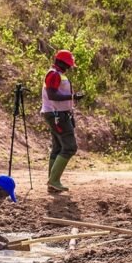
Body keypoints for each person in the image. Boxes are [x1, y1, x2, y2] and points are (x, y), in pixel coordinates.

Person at [42, 49, 82, 193]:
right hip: (57, 115)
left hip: (57, 114)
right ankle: (53, 180)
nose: (70, 67)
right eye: (68, 64)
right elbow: (52, 95)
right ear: (62, 62)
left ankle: (52, 183)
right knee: (70, 147)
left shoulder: (56, 74)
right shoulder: (54, 74)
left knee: (58, 148)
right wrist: (73, 97)